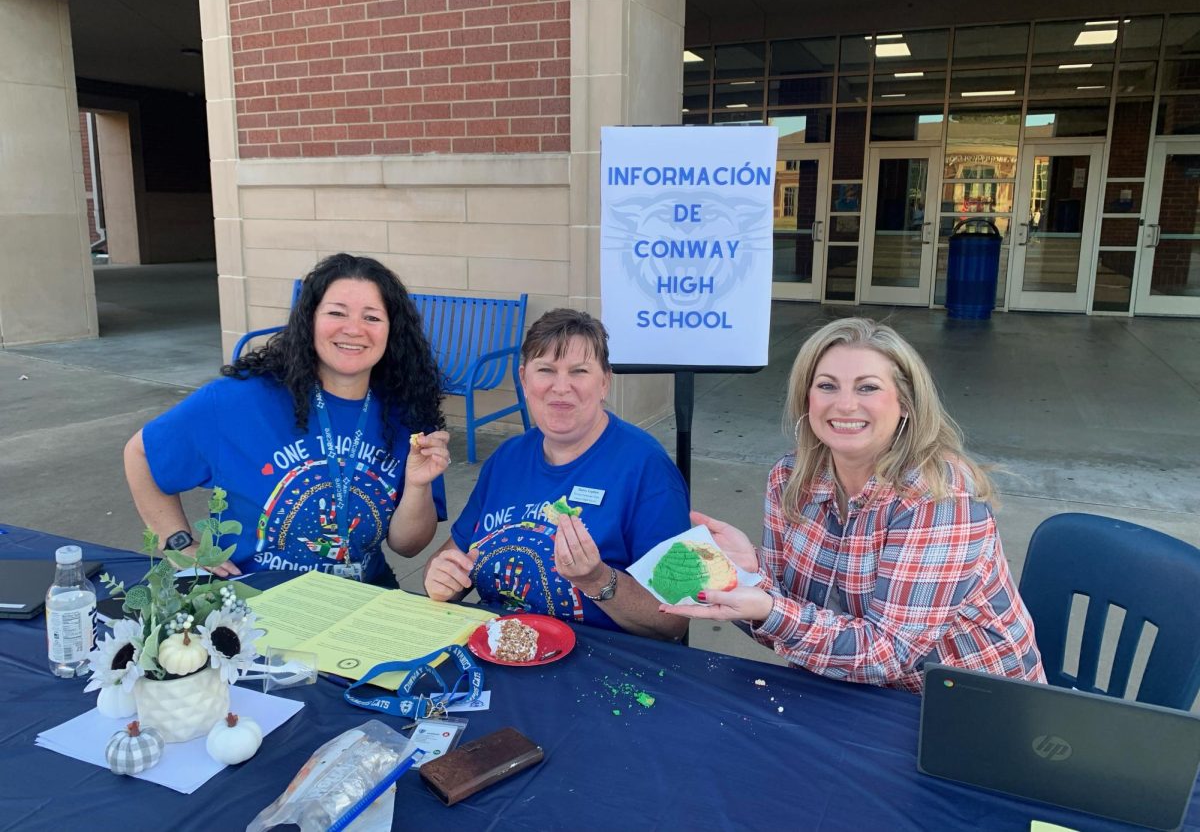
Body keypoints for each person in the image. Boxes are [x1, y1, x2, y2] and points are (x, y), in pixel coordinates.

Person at [661, 317, 1044, 692]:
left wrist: (769, 610)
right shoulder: (791, 478)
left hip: (969, 705)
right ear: (807, 400)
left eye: (867, 388)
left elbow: (889, 655)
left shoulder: (939, 496)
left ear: (906, 404)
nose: (844, 405)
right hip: (852, 693)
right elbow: (784, 619)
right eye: (827, 386)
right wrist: (747, 571)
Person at [123, 253, 450, 585]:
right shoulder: (239, 401)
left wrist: (418, 485)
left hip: (360, 603)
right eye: (337, 312)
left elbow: (408, 546)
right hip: (253, 604)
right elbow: (141, 454)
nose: (353, 329)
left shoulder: (407, 411)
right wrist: (178, 543)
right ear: (309, 320)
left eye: (372, 317)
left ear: (392, 331)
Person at [423, 309, 690, 640]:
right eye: (546, 370)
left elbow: (675, 619)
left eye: (579, 371)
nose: (560, 387)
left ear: (604, 382)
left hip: (597, 666)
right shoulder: (506, 459)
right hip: (496, 651)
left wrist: (597, 580)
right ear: (524, 379)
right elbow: (454, 555)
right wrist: (442, 579)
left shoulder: (648, 469)